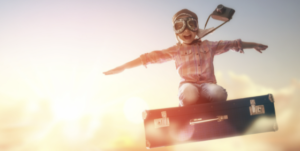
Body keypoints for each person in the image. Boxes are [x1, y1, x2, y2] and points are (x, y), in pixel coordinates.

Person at [103, 9, 268, 107]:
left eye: (191, 25)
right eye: (180, 26)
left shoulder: (208, 46)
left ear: (196, 28)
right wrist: (123, 67)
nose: (186, 30)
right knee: (189, 92)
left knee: (218, 93)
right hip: (188, 87)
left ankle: (208, 106)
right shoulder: (175, 50)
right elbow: (149, 58)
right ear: (176, 31)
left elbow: (232, 43)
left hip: (207, 87)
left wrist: (253, 44)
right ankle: (188, 107)